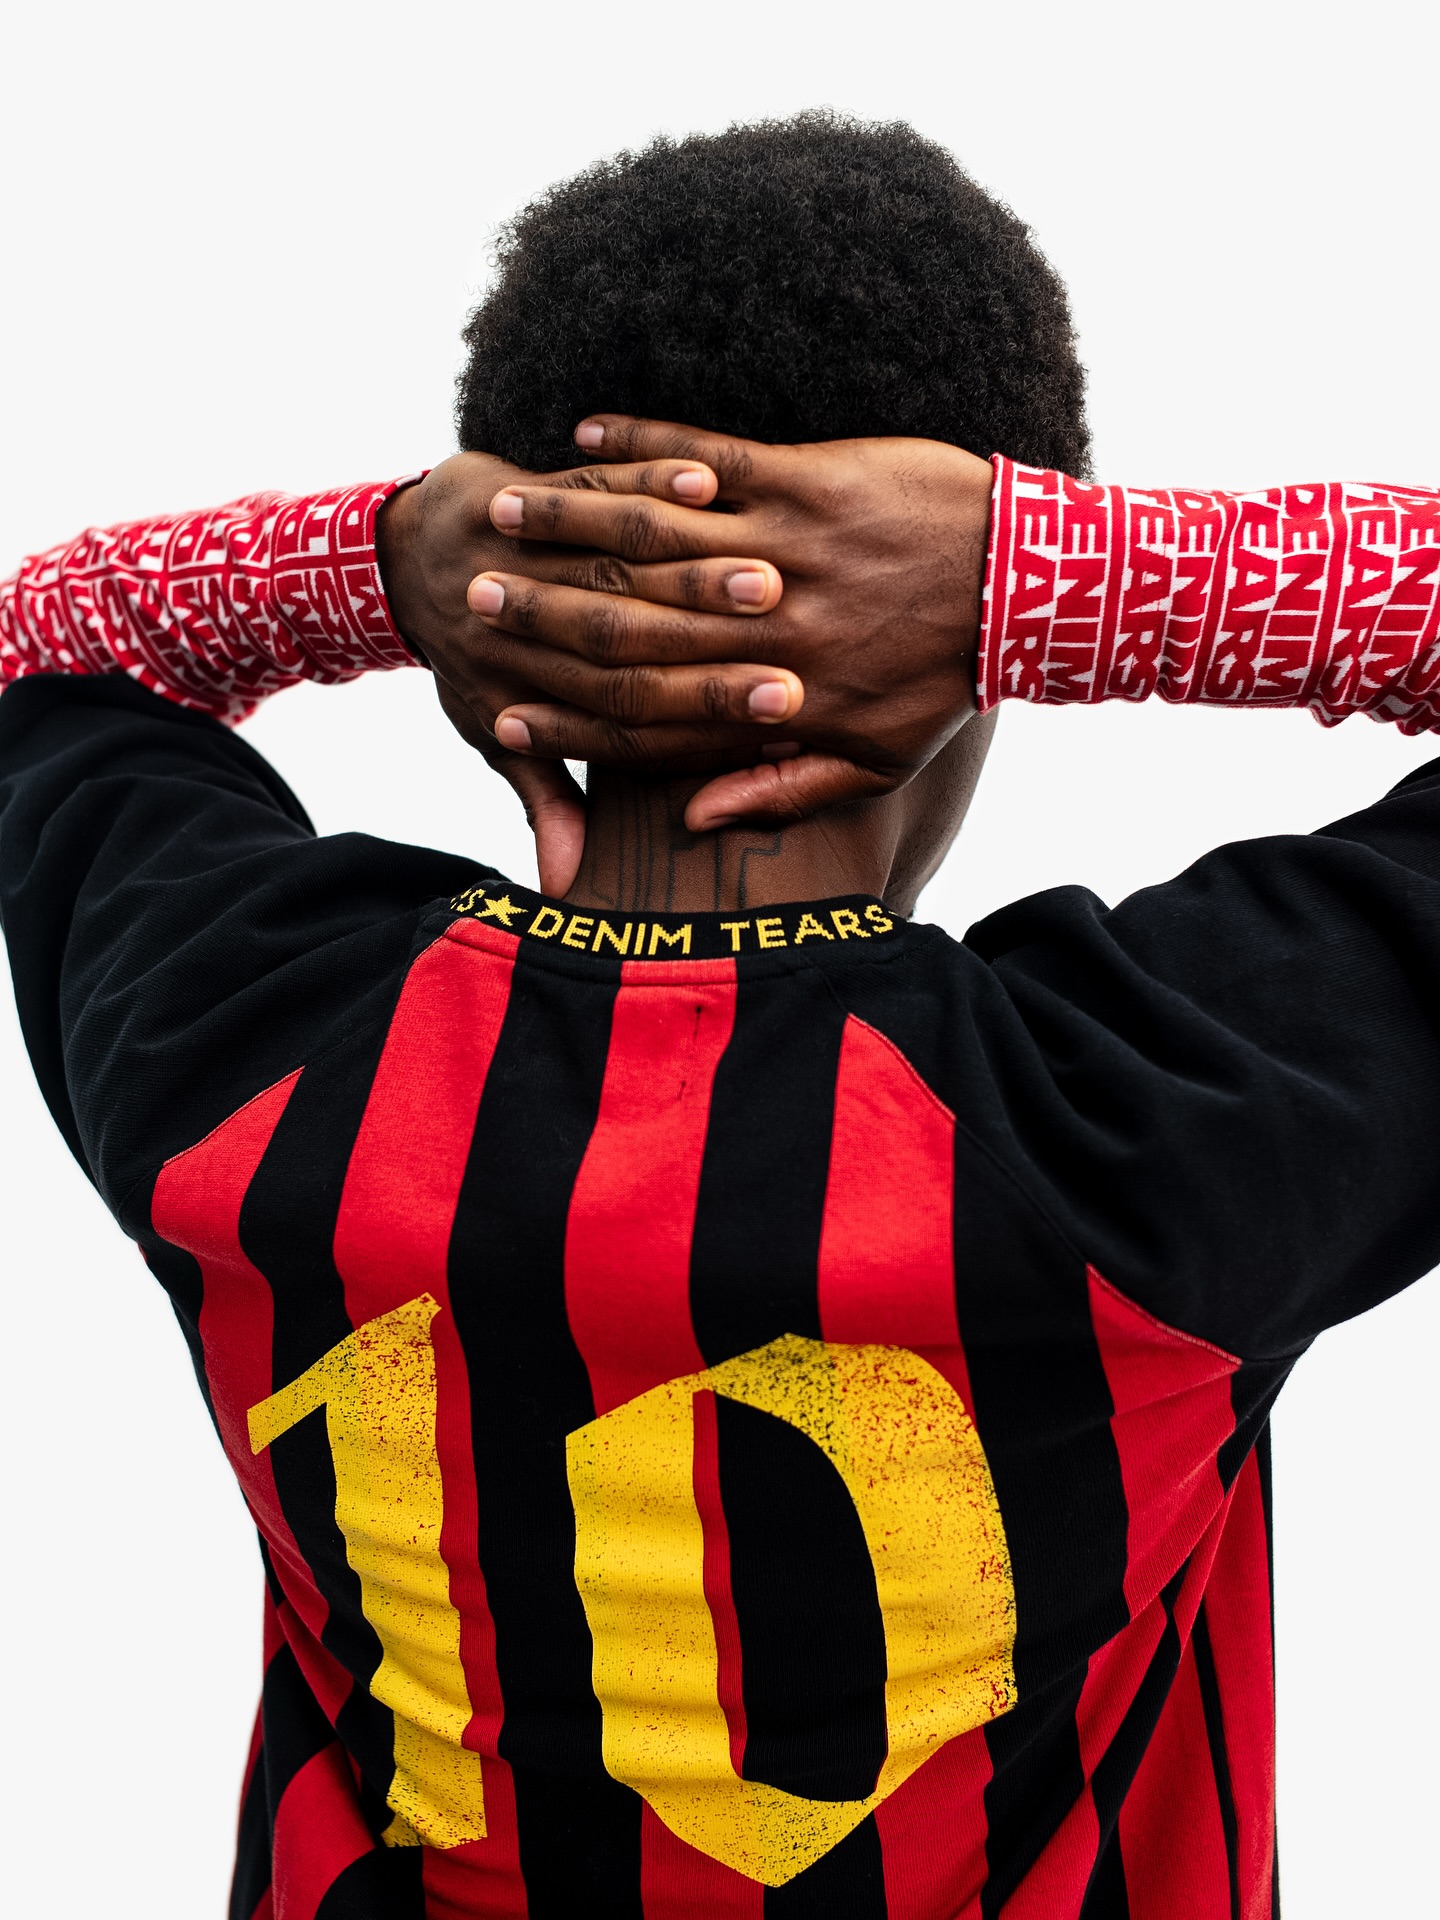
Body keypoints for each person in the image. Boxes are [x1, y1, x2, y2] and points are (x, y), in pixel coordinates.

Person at [3, 111, 1439, 1920]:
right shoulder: (1158, 1123)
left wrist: (392, 563)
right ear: (971, 667)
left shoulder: (240, 1053)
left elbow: (45, 648)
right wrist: (1053, 580)